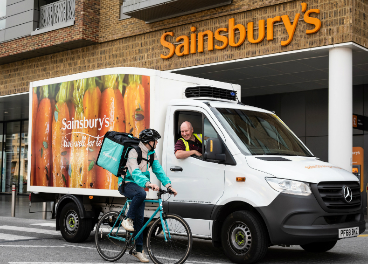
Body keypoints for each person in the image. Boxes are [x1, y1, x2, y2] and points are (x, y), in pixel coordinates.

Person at [118, 128, 177, 263]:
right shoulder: (134, 151)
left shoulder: (151, 154)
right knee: (141, 193)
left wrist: (168, 185)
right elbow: (135, 172)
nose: (156, 143)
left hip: (139, 186)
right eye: (155, 140)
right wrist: (148, 183)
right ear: (148, 141)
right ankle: (127, 219)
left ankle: (138, 251)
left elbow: (158, 170)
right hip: (126, 183)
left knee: (140, 219)